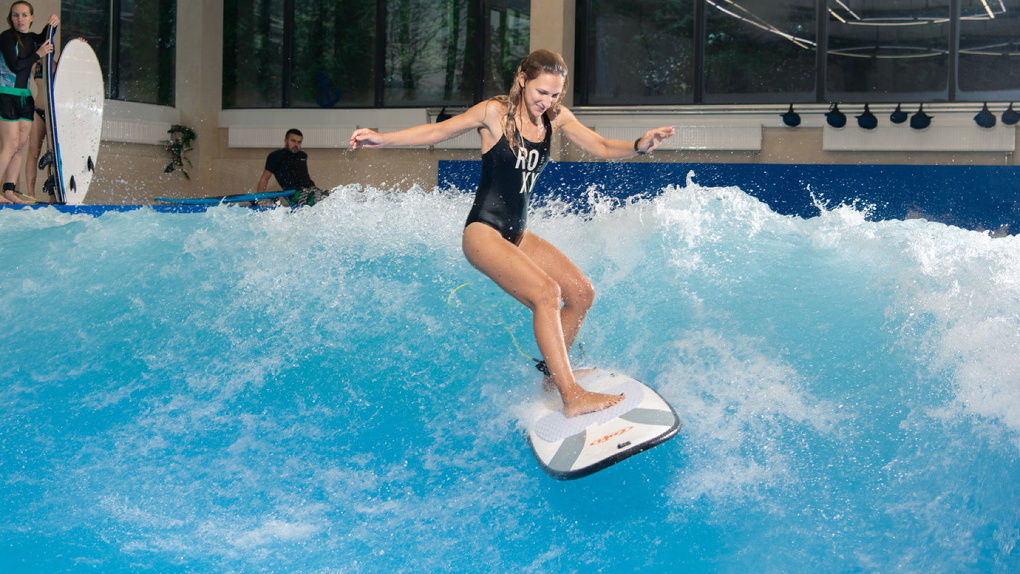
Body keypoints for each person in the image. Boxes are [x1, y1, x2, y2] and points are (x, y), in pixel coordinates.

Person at [350, 49, 675, 418]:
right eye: (541, 92)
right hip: (483, 231)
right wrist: (381, 139)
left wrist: (638, 146)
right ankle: (571, 396)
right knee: (547, 293)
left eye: (555, 94)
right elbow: (439, 131)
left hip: (518, 232)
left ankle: (553, 377)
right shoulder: (494, 112)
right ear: (523, 79)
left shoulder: (555, 117)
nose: (547, 101)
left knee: (581, 293)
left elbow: (599, 146)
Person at [0, 1, 56, 204]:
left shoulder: (31, 39)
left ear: (31, 17)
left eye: (24, 15)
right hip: (6, 94)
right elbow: (16, 66)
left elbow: (44, 38)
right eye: (15, 15)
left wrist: (53, 24)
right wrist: (38, 55)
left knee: (19, 146)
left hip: (25, 96)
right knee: (10, 144)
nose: (20, 19)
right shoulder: (6, 37)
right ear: (11, 18)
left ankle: (9, 190)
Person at [256, 128, 328, 206]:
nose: (296, 145)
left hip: (311, 189)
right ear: (286, 141)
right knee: (317, 201)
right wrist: (260, 199)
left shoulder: (302, 156)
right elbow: (264, 178)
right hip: (294, 193)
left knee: (332, 197)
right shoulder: (276, 156)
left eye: (299, 142)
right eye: (293, 141)